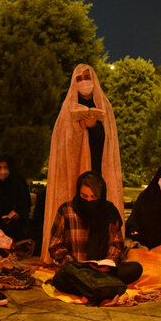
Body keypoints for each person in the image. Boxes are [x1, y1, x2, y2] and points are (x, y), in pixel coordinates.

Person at [42, 64, 124, 263]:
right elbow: (64, 145)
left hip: (98, 168)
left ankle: (102, 256)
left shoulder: (105, 107)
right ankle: (70, 256)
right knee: (75, 210)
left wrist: (94, 127)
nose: (84, 82)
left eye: (87, 77)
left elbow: (108, 142)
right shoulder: (67, 109)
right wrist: (79, 129)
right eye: (79, 79)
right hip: (73, 171)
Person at [49, 171, 142, 285]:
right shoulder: (66, 210)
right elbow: (55, 246)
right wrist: (72, 264)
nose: (88, 200)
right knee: (61, 279)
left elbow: (116, 245)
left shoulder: (109, 212)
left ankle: (95, 284)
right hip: (76, 270)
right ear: (78, 193)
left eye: (93, 197)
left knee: (135, 268)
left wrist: (107, 264)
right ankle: (100, 285)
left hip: (103, 271)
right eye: (84, 196)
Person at [0, 157, 31, 241]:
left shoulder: (17, 184)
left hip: (14, 224)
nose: (2, 171)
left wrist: (18, 214)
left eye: (5, 167)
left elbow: (24, 205)